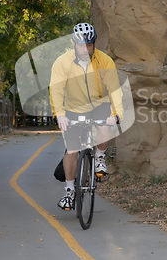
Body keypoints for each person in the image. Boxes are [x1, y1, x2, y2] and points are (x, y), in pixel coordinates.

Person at [49, 23, 124, 210]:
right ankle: (69, 191)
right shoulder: (62, 63)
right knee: (72, 151)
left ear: (94, 43)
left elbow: (114, 90)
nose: (86, 49)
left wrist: (116, 114)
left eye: (89, 45)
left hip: (100, 104)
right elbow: (56, 90)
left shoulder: (105, 61)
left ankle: (99, 156)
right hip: (73, 108)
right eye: (82, 45)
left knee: (104, 125)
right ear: (74, 44)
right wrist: (60, 114)